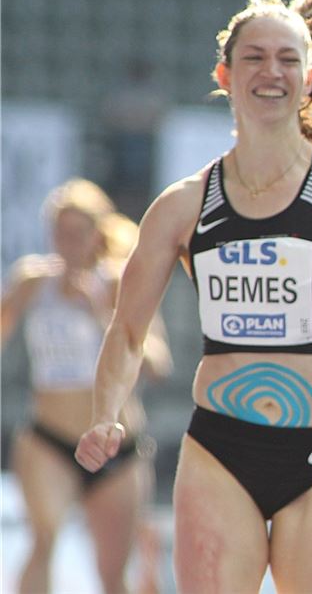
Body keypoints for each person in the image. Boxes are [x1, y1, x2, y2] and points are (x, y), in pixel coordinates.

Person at [74, 0, 312, 591]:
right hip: (220, 454)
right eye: (253, 58)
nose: (270, 72)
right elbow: (127, 330)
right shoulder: (181, 206)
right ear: (226, 75)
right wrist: (105, 416)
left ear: (308, 78)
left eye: (286, 59)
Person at [1, 178, 172, 594]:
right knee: (42, 541)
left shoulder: (115, 283)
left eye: (79, 233)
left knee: (114, 572)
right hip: (50, 439)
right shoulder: (31, 281)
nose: (68, 242)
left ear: (97, 234)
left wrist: (100, 313)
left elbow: (157, 361)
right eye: (60, 232)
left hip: (115, 444)